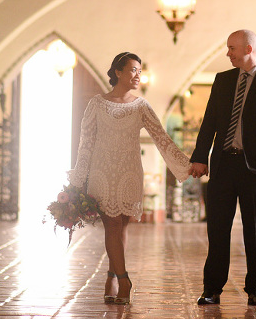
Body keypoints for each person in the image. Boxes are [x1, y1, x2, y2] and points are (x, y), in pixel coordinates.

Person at [67, 52, 191, 305]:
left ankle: (111, 275)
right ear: (118, 72)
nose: (137, 75)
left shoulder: (141, 105)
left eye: (140, 71)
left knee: (121, 226)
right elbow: (85, 144)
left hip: (129, 173)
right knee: (112, 225)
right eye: (133, 70)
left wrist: (187, 165)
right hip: (102, 173)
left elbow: (161, 138)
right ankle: (124, 279)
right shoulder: (97, 104)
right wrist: (77, 181)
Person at [189, 30, 256, 307]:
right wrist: (200, 157)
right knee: (217, 229)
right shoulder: (223, 80)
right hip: (223, 165)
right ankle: (212, 289)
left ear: (248, 48)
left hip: (253, 167)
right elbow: (209, 122)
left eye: (232, 48)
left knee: (253, 230)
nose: (228, 53)